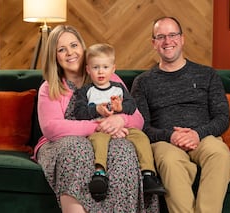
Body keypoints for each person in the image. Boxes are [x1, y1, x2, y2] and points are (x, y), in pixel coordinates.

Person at [32, 25, 159, 213]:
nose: (70, 53)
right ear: (54, 56)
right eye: (61, 49)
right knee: (76, 149)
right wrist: (98, 126)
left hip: (107, 139)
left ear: (82, 48)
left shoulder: (107, 77)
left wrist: (120, 120)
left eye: (74, 45)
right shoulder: (50, 86)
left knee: (124, 150)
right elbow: (52, 128)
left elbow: (137, 118)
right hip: (60, 144)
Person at [131, 17, 230, 213]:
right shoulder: (143, 82)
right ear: (153, 43)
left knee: (221, 155)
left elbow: (222, 117)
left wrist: (196, 134)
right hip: (165, 142)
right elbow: (140, 126)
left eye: (172, 35)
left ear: (182, 39)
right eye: (161, 36)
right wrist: (171, 136)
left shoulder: (207, 74)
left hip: (203, 137)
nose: (167, 41)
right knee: (170, 163)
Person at [73, 43, 166, 200]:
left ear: (113, 68)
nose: (101, 71)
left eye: (105, 67)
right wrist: (97, 110)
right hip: (100, 128)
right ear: (88, 69)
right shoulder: (86, 91)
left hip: (123, 127)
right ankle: (100, 172)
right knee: (98, 141)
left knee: (141, 137)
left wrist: (121, 106)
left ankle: (148, 174)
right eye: (95, 67)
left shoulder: (119, 88)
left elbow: (132, 107)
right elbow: (79, 112)